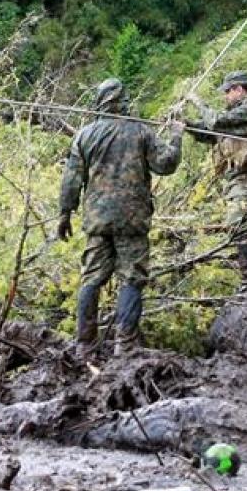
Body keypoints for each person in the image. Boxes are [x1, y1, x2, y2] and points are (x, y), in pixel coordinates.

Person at [58, 79, 183, 356]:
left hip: (98, 220)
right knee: (132, 278)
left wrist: (65, 214)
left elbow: (71, 180)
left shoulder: (85, 135)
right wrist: (176, 135)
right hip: (132, 220)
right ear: (124, 101)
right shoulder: (141, 132)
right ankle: (124, 345)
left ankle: (84, 344)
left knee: (91, 278)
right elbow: (166, 164)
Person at [184, 71, 247, 295]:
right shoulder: (238, 114)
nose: (225, 97)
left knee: (241, 225)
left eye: (227, 92)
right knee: (240, 226)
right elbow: (210, 132)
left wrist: (197, 102)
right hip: (239, 180)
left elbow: (216, 121)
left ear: (239, 89)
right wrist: (184, 124)